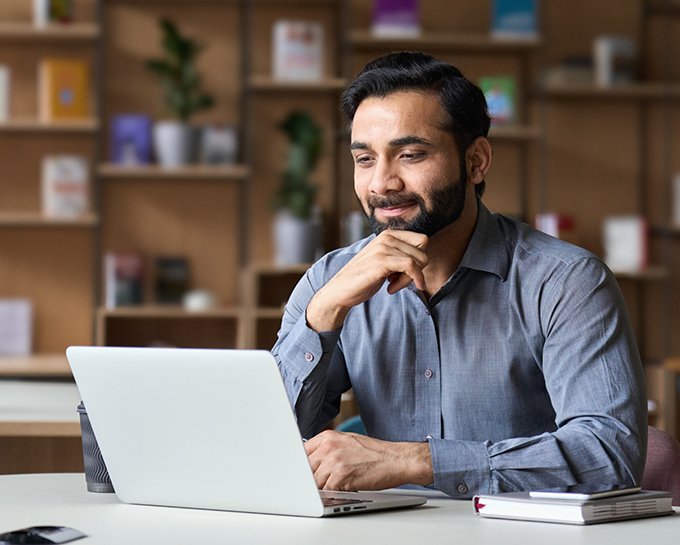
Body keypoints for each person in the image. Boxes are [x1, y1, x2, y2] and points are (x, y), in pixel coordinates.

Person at [272, 51, 647, 498]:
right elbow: (263, 445)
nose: (381, 184)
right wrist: (324, 315)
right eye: (365, 159)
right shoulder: (328, 281)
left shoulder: (567, 282)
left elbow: (610, 456)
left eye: (410, 154)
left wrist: (417, 461)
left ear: (476, 161)